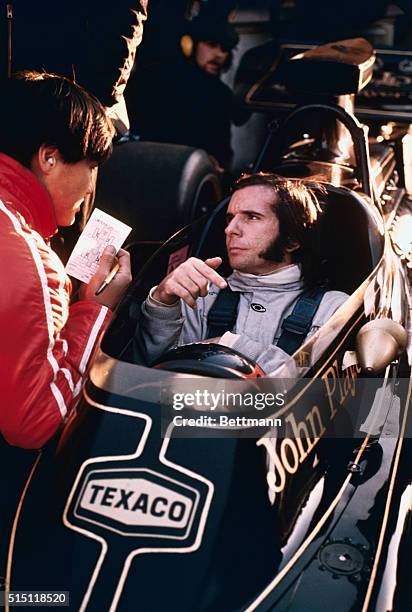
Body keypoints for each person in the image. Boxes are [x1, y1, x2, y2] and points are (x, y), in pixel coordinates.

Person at [0, 71, 132, 449]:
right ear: (49, 158)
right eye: (91, 165)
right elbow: (34, 422)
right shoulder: (28, 257)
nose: (91, 185)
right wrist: (94, 310)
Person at [137, 173, 348, 373]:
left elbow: (308, 379)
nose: (230, 230)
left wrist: (228, 344)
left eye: (252, 217)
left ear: (292, 239)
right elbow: (154, 372)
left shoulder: (332, 310)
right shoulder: (202, 295)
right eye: (230, 219)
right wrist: (162, 305)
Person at [127, 14, 248, 168]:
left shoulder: (220, 94)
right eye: (211, 44)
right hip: (153, 165)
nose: (218, 54)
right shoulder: (156, 79)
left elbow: (221, 150)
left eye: (224, 49)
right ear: (190, 44)